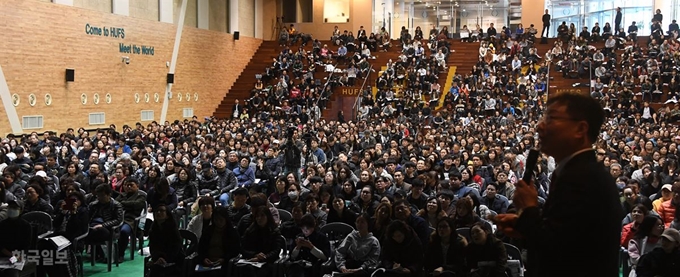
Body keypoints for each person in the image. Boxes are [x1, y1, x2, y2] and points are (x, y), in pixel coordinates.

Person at [492, 92, 622, 277]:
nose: (539, 126)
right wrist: (525, 225)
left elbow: (558, 249)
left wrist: (529, 208)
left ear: (580, 129)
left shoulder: (583, 178)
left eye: (551, 118)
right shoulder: (575, 172)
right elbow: (569, 234)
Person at [196, 206, 241, 276]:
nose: (218, 222)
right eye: (216, 219)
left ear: (226, 219)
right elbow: (201, 248)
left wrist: (224, 259)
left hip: (223, 264)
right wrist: (204, 259)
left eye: (221, 220)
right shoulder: (208, 231)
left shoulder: (232, 232)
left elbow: (235, 250)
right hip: (208, 262)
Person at [146, 204, 183, 277]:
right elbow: (153, 247)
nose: (158, 213)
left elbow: (176, 248)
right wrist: (157, 257)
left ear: (167, 215)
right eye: (157, 211)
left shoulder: (172, 229)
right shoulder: (153, 229)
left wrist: (164, 258)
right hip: (158, 259)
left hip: (174, 260)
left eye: (162, 211)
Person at [0, 200, 31, 277]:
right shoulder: (2, 224)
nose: (11, 209)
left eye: (15, 208)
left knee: (11, 273)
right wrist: (8, 253)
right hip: (3, 254)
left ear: (20, 210)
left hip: (19, 256)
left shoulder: (26, 226)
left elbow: (27, 246)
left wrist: (17, 255)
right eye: (10, 207)